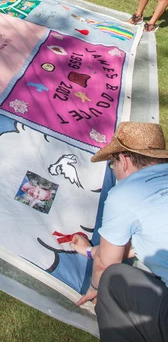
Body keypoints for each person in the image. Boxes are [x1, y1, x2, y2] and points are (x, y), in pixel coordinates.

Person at [70, 121, 168, 342]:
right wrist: (89, 252)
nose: (114, 172)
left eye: (112, 165)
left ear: (123, 160)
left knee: (113, 279)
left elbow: (107, 264)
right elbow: (144, 245)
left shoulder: (125, 192)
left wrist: (96, 288)